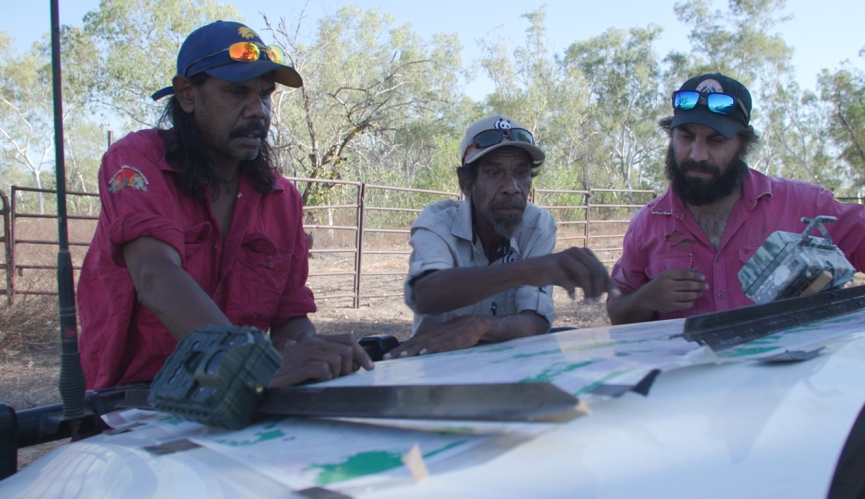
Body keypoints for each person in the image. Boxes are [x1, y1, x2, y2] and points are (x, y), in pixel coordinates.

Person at [77, 21, 373, 390]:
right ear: (187, 95)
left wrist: (309, 353)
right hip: (134, 404)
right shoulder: (136, 162)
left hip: (240, 398)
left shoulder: (282, 199)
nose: (258, 112)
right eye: (236, 93)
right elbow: (154, 276)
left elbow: (289, 315)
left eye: (265, 95)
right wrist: (250, 365)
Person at [606, 73, 865, 325]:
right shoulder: (647, 224)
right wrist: (647, 298)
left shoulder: (803, 204)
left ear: (743, 145)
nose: (697, 154)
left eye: (715, 141)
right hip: (687, 396)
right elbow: (617, 311)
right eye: (686, 137)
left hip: (788, 391)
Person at [386, 115, 619, 359]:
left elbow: (536, 321)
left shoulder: (538, 226)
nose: (512, 187)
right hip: (440, 368)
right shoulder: (437, 221)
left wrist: (481, 326)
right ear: (466, 182)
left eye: (521, 172)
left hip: (513, 367)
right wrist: (526, 270)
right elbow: (426, 295)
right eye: (495, 172)